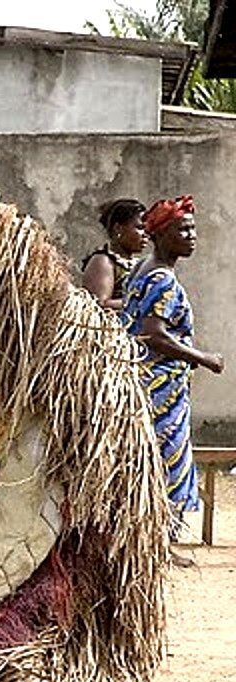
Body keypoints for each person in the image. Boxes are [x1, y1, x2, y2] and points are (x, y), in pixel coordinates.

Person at [121, 195, 223, 547]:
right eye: (182, 229)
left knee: (148, 463)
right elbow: (153, 333)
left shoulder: (141, 269)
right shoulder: (162, 279)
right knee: (168, 463)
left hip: (141, 381)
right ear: (162, 235)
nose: (191, 236)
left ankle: (151, 546)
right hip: (160, 390)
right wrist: (203, 357)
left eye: (193, 228)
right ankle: (161, 546)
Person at [81, 197, 146, 311]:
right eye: (140, 228)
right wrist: (142, 304)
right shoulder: (103, 261)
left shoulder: (140, 265)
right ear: (118, 228)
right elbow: (98, 305)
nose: (146, 234)